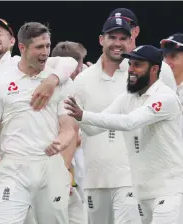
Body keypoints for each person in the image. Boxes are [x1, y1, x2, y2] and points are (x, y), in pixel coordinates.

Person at [0, 18, 77, 224]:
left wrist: (52, 80)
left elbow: (70, 62)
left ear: (14, 42)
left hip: (23, 163)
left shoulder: (31, 65)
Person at [65, 45, 183, 224]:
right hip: (142, 192)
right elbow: (92, 129)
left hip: (170, 190)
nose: (131, 70)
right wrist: (77, 115)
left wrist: (84, 115)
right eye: (130, 64)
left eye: (138, 65)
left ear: (154, 69)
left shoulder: (164, 98)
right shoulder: (127, 98)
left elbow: (130, 122)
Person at [66, 17, 141, 224]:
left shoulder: (141, 76)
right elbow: (72, 130)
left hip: (130, 177)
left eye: (123, 38)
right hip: (94, 177)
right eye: (112, 37)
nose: (118, 43)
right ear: (101, 40)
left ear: (130, 41)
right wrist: (64, 169)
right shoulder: (82, 80)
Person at [51, 40, 88, 224]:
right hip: (62, 163)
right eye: (81, 63)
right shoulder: (63, 89)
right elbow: (71, 132)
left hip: (70, 163)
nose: (82, 68)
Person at [108, 8, 177, 92]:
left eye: (125, 28)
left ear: (136, 31)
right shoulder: (92, 72)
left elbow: (172, 102)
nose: (119, 34)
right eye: (113, 30)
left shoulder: (162, 68)